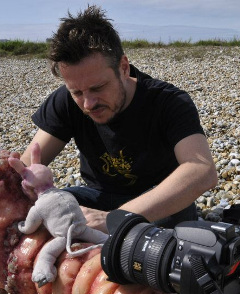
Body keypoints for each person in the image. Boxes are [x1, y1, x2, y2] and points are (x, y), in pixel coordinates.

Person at [20, 5, 217, 233]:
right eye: (77, 92)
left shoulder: (169, 102)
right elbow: (28, 164)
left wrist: (114, 219)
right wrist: (25, 182)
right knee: (45, 208)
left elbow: (202, 171)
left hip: (158, 202)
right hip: (98, 195)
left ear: (123, 67)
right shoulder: (65, 100)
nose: (88, 103)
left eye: (98, 87)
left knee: (157, 238)